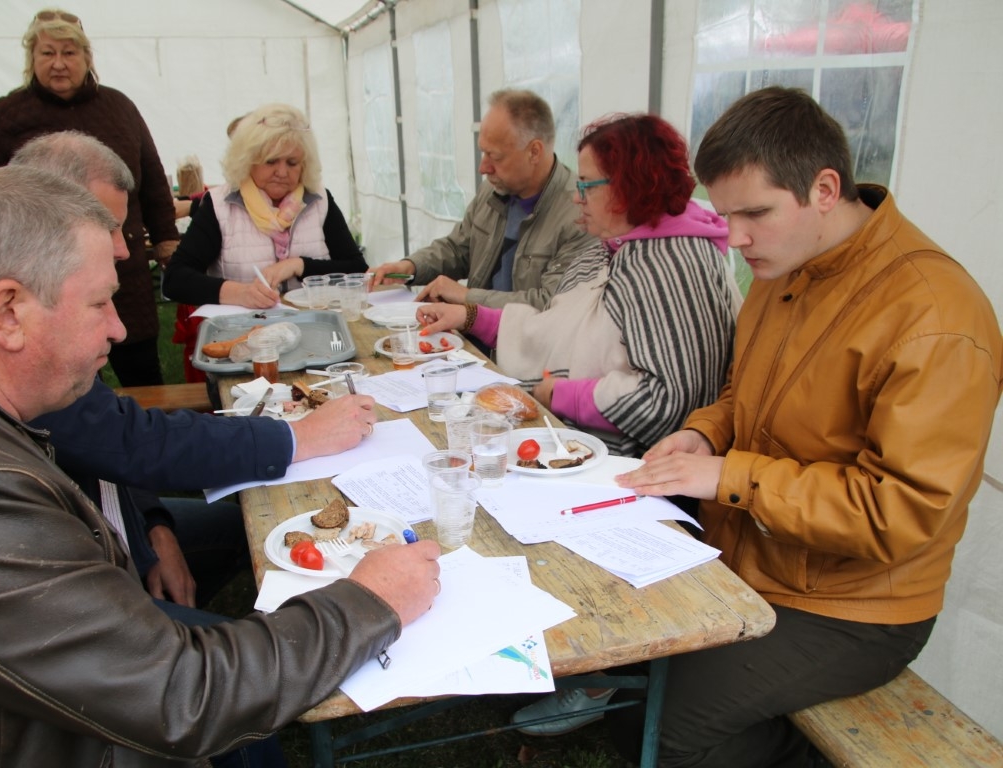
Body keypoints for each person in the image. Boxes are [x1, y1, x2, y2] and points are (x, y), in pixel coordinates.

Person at [0, 165, 442, 766]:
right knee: (250, 729)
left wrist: (150, 523)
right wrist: (372, 600)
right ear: (8, 311)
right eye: (100, 302)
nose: (120, 327)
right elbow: (186, 697)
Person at [609, 87, 1003, 767]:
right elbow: (743, 392)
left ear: (825, 188)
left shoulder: (937, 316)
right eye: (725, 214)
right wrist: (705, 434)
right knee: (633, 673)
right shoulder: (783, 263)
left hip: (857, 609)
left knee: (659, 731)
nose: (735, 238)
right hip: (760, 558)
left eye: (754, 212)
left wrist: (730, 475)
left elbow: (900, 512)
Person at [8, 131, 381, 618]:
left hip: (109, 525)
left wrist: (155, 525)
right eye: (107, 227)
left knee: (239, 526)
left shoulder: (28, 331)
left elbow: (108, 440)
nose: (123, 249)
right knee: (298, 637)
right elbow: (131, 440)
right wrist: (297, 438)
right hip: (81, 593)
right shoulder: (32, 358)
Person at [418, 113, 737, 458]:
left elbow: (668, 402)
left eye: (585, 185)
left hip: (632, 468)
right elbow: (558, 327)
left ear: (629, 187)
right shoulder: (614, 247)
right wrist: (470, 317)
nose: (575, 197)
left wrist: (562, 395)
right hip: (578, 443)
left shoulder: (669, 264)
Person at [0, 8, 178, 387]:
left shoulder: (119, 108)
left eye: (69, 53)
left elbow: (152, 180)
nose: (59, 64)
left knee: (140, 368)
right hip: (44, 271)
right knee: (59, 373)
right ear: (31, 59)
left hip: (122, 263)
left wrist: (165, 240)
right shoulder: (4, 115)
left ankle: (150, 431)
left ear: (87, 58)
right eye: (47, 53)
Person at [370, 89, 595, 310]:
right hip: (472, 332)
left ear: (534, 152)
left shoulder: (581, 214)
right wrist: (410, 267)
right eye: (483, 153)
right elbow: (459, 249)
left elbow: (549, 303)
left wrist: (466, 296)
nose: (483, 168)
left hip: (523, 344)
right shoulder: (493, 191)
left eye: (494, 156)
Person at [162, 102, 367, 309]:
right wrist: (241, 293)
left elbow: (358, 269)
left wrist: (299, 265)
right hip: (245, 333)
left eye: (292, 163)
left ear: (305, 164)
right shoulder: (219, 205)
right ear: (248, 160)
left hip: (318, 325)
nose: (282, 172)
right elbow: (175, 279)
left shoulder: (319, 200)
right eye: (271, 161)